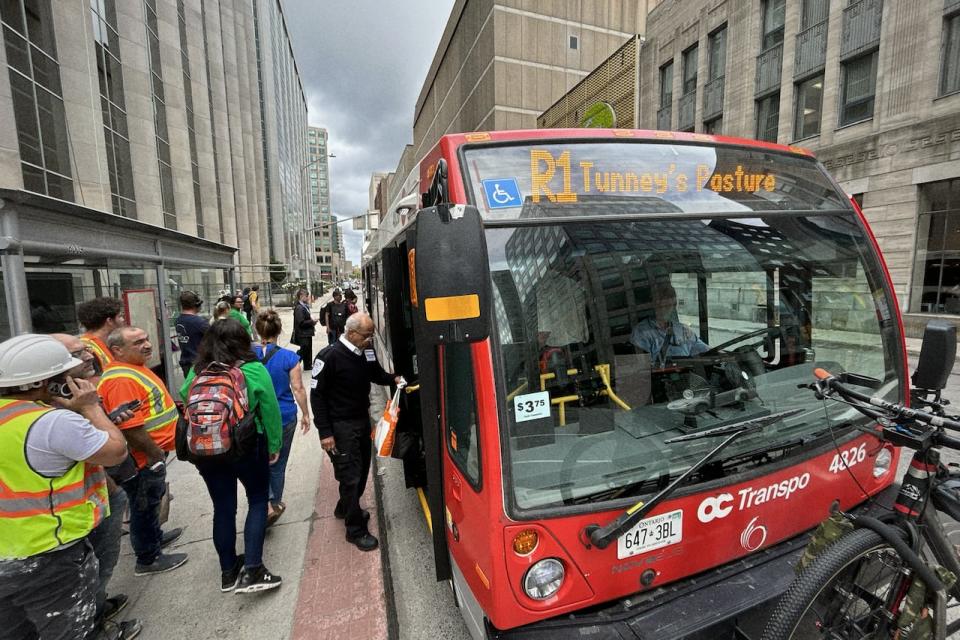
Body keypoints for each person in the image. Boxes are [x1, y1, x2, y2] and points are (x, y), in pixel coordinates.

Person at [0, 334, 128, 640]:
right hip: (47, 556)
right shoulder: (51, 423)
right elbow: (115, 451)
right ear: (44, 383)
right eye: (66, 375)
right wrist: (91, 407)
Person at [180, 319, 284, 593]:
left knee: (223, 507)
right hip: (247, 446)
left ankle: (228, 572)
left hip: (207, 450)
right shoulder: (253, 369)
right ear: (243, 340)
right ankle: (253, 569)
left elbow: (183, 396)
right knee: (258, 499)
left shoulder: (197, 371)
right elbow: (270, 410)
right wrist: (274, 445)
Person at [50, 334, 142, 639]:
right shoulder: (57, 411)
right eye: (77, 353)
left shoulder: (81, 393)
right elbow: (113, 450)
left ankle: (98, 605)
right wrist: (90, 409)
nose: (88, 355)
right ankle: (95, 623)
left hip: (96, 495)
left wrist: (107, 415)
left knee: (99, 565)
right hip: (67, 517)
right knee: (84, 575)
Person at [98, 327, 187, 576]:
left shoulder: (133, 369)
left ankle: (154, 538)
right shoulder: (121, 380)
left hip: (153, 452)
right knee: (143, 505)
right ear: (117, 350)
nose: (147, 344)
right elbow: (130, 427)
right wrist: (153, 453)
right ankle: (148, 558)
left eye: (147, 339)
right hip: (143, 457)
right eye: (138, 342)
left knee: (152, 499)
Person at [310, 312, 402, 551]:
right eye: (366, 335)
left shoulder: (366, 352)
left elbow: (376, 375)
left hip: (362, 420)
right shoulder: (329, 357)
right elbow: (317, 397)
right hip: (340, 427)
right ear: (351, 334)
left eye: (370, 335)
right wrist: (325, 433)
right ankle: (355, 529)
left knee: (361, 471)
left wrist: (394, 379)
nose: (369, 339)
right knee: (350, 476)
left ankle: (345, 506)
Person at [253, 310, 311, 526]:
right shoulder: (289, 357)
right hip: (283, 417)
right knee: (278, 464)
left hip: (255, 419)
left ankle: (263, 503)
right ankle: (274, 503)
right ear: (280, 330)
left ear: (258, 331)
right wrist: (306, 414)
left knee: (259, 463)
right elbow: (298, 389)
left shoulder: (247, 354)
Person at [630, 282, 709, 366]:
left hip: (687, 375)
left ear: (674, 305)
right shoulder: (641, 332)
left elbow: (705, 351)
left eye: (667, 305)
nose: (662, 309)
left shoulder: (683, 330)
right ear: (653, 304)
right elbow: (642, 368)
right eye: (659, 305)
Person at [78, 297, 126, 375]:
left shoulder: (105, 343)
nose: (123, 320)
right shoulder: (88, 351)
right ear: (109, 321)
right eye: (120, 316)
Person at [174, 291, 209, 378]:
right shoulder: (199, 322)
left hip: (186, 362)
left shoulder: (178, 320)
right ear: (196, 304)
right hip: (199, 364)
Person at [292, 288, 317, 370]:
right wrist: (312, 321)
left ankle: (308, 365)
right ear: (301, 296)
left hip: (307, 332)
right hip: (302, 333)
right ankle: (294, 364)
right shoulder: (299, 308)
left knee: (308, 349)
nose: (308, 298)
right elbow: (301, 322)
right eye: (306, 296)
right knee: (304, 349)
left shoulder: (304, 306)